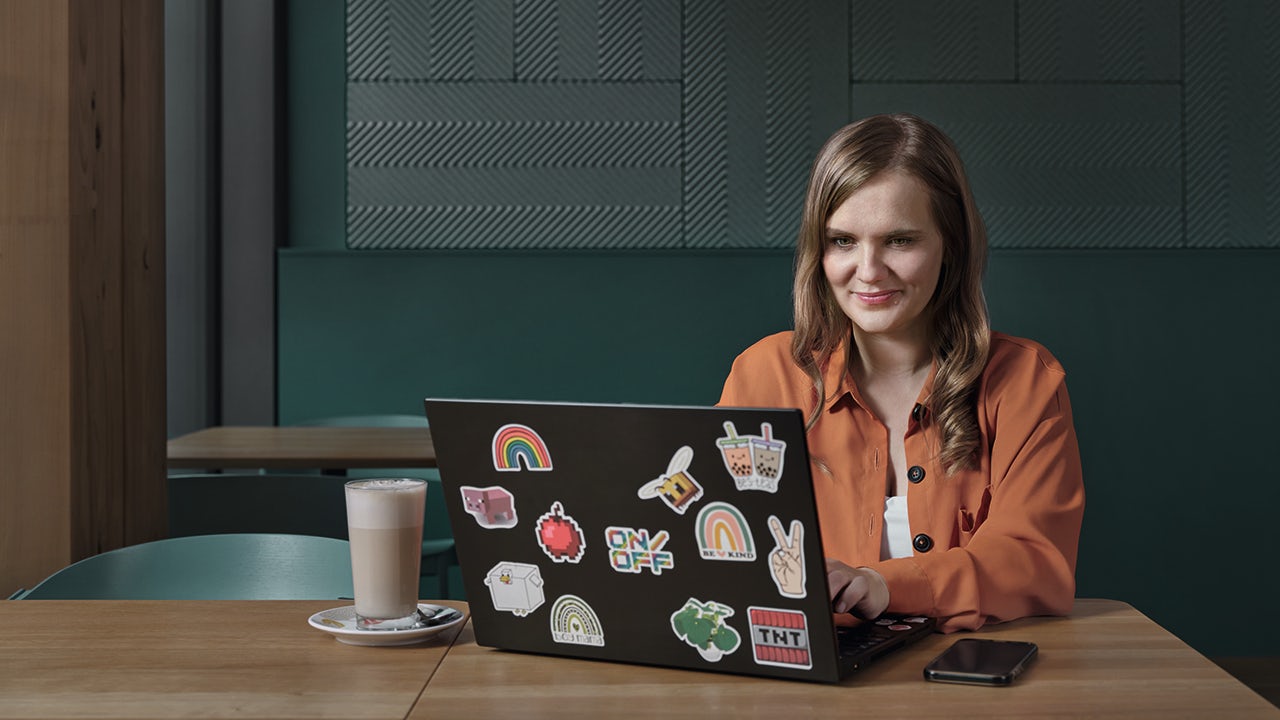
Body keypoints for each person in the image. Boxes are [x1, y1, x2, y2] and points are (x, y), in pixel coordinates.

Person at [718, 113, 1085, 633]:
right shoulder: (764, 374)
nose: (867, 270)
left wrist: (884, 583)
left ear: (950, 247)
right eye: (843, 240)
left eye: (899, 241)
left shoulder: (1025, 380)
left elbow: (1033, 561)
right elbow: (719, 542)